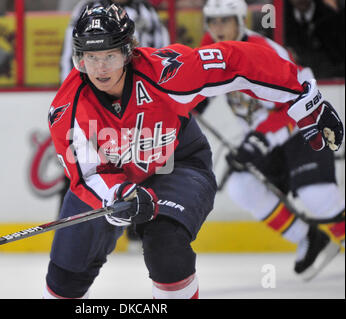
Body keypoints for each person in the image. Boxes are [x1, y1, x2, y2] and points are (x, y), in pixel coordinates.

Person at [44, 3, 343, 299]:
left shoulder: (166, 72)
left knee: (167, 249)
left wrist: (303, 96)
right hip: (110, 181)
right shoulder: (66, 110)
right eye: (91, 57)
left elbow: (235, 60)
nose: (100, 68)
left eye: (109, 55)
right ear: (78, 58)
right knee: (64, 277)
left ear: (128, 51)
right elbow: (87, 175)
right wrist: (119, 195)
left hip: (176, 163)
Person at [198, 0, 344, 281]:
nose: (218, 28)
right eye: (213, 22)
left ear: (240, 21)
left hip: (301, 130)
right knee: (242, 187)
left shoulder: (263, 52)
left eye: (224, 20)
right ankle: (310, 239)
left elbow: (300, 98)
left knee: (318, 197)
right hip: (264, 137)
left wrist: (260, 139)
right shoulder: (209, 50)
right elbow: (197, 86)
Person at [57, 0, 170, 242]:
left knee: (149, 165)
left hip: (142, 107)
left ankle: (140, 230)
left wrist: (163, 100)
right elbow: (71, 57)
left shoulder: (147, 12)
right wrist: (75, 104)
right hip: (94, 106)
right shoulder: (86, 10)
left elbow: (163, 55)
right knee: (81, 166)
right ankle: (73, 235)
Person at [284, 0, 345, 78]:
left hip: (325, 79)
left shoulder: (330, 18)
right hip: (293, 77)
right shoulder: (280, 18)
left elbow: (338, 58)